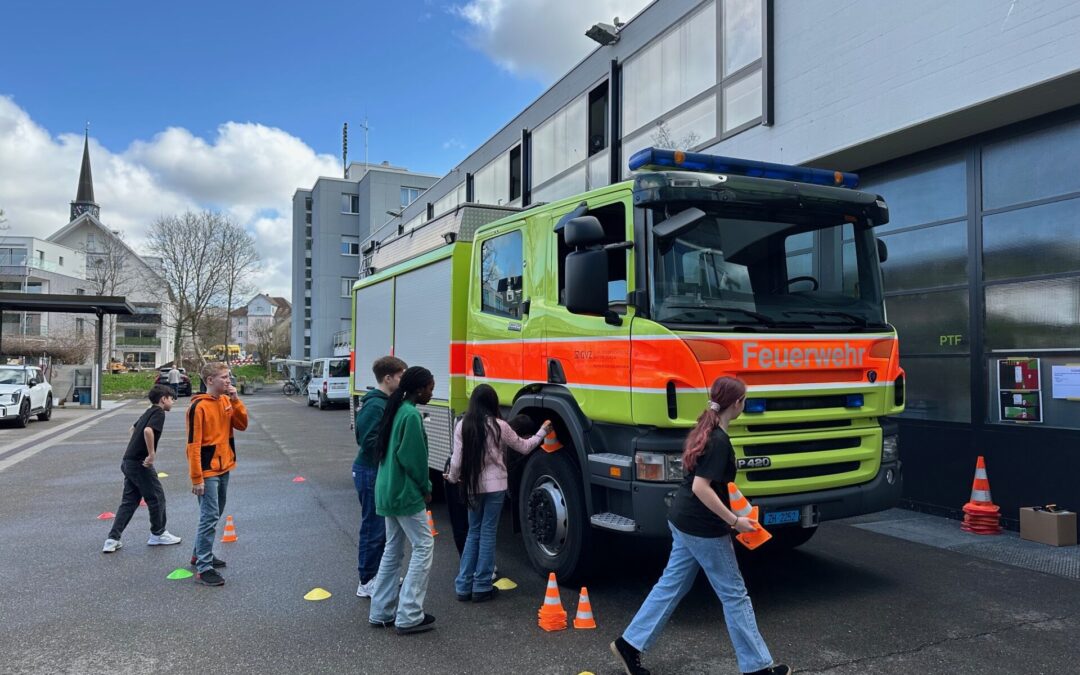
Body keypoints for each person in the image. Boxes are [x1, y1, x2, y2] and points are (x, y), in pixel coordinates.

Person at [610, 377, 791, 675]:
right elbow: (701, 487)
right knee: (735, 594)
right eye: (744, 400)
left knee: (672, 585)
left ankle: (630, 644)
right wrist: (734, 522)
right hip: (702, 527)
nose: (744, 405)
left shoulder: (705, 430)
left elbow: (708, 486)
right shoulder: (718, 440)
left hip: (684, 520)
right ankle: (758, 668)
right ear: (736, 404)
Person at [445, 385, 550, 602]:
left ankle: (463, 585)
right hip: (496, 488)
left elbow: (456, 461)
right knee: (487, 533)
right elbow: (525, 446)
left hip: (471, 486)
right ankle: (482, 585)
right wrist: (543, 431)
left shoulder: (463, 426)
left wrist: (453, 479)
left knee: (473, 532)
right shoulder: (499, 426)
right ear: (492, 403)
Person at [368, 366, 438, 635]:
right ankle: (409, 614)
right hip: (404, 492)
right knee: (423, 546)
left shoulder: (395, 409)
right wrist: (427, 486)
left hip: (386, 489)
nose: (432, 393)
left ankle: (381, 610)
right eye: (430, 388)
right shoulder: (410, 415)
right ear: (419, 389)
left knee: (393, 549)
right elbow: (414, 460)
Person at [186, 362, 248, 587]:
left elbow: (242, 425)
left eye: (229, 376)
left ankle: (199, 554)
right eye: (223, 377)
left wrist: (235, 400)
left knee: (215, 513)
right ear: (210, 380)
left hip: (225, 466)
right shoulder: (198, 407)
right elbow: (193, 444)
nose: (228, 380)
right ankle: (204, 567)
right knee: (209, 516)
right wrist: (197, 478)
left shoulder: (225, 401)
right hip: (208, 470)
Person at [102, 384, 182, 553]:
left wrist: (136, 447)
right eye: (171, 399)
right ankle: (158, 534)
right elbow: (147, 431)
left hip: (128, 461)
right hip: (139, 463)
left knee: (129, 501)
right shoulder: (159, 413)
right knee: (156, 497)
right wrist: (151, 454)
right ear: (163, 399)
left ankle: (112, 539)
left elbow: (133, 429)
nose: (173, 402)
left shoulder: (148, 411)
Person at [353, 355, 407, 598]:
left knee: (382, 529)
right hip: (369, 471)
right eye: (401, 377)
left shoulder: (384, 402)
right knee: (373, 529)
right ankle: (367, 581)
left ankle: (382, 576)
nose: (403, 381)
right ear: (388, 378)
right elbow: (367, 441)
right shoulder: (375, 405)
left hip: (374, 470)